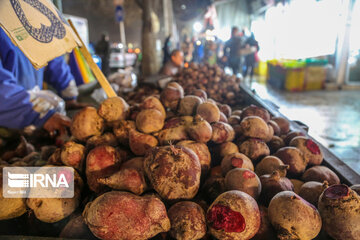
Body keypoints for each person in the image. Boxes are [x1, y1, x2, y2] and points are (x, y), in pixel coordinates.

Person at [0, 27, 86, 135]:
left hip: (29, 115)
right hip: (8, 121)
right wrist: (38, 113)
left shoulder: (30, 16)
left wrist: (69, 93)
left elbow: (50, 55)